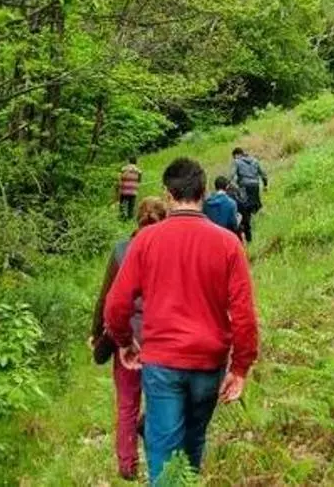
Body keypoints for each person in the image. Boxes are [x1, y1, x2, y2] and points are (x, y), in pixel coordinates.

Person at [105, 158, 259, 485]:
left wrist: (124, 342)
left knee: (163, 449)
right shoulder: (228, 243)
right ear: (203, 191)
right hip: (209, 362)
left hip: (162, 361)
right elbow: (244, 314)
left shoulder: (146, 240)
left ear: (168, 193)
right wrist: (240, 368)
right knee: (193, 443)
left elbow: (116, 305)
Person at [91, 197, 169, 481]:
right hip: (160, 337)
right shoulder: (170, 250)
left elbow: (107, 297)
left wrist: (96, 333)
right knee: (162, 398)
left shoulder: (121, 250)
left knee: (126, 402)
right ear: (164, 219)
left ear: (137, 219)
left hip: (126, 337)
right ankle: (158, 454)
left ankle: (127, 465)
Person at [230, 148, 268, 243]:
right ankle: (260, 223)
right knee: (255, 204)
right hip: (255, 185)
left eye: (234, 157)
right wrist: (265, 185)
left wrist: (232, 186)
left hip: (244, 186)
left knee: (245, 207)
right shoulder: (255, 160)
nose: (234, 158)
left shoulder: (237, 161)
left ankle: (250, 229)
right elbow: (263, 174)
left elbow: (232, 176)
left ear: (237, 154)